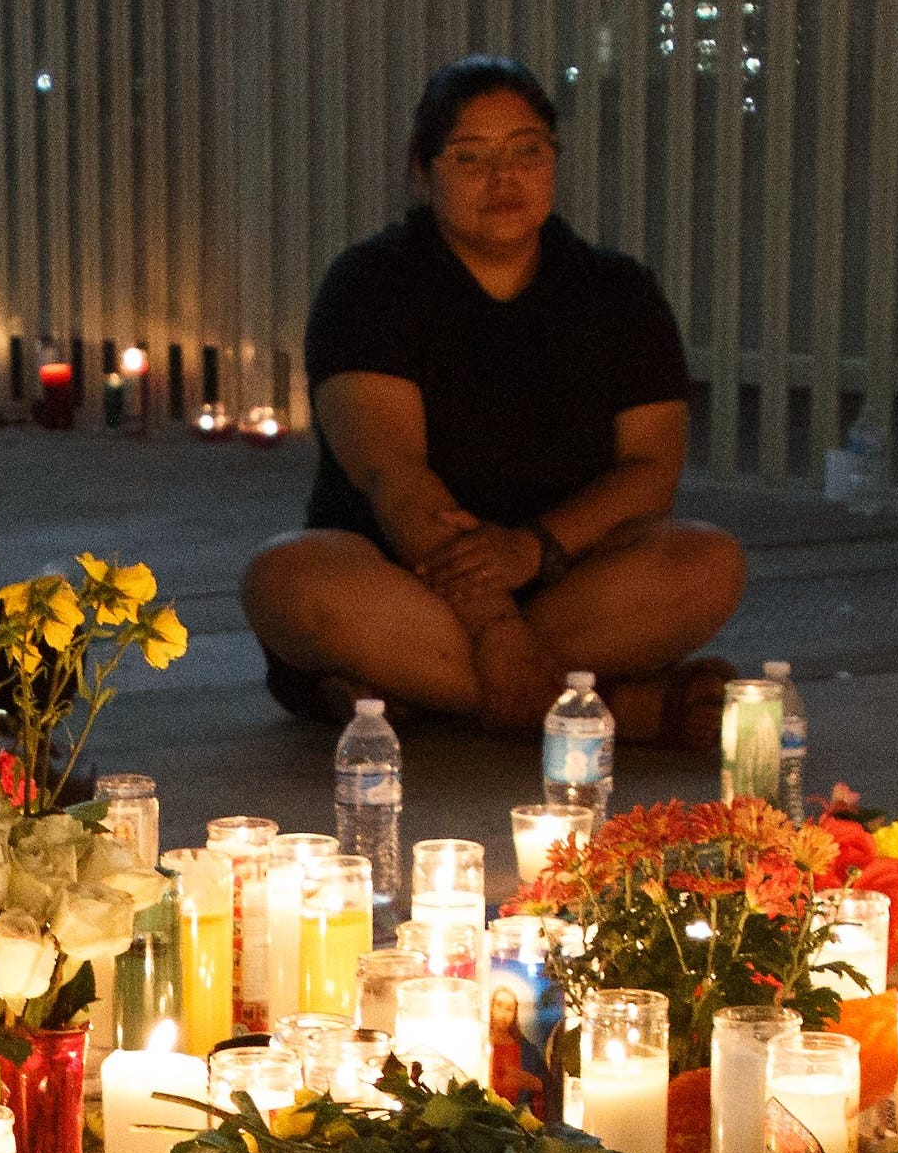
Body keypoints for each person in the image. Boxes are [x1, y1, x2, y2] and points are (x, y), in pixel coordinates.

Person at [242, 55, 745, 742]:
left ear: (554, 160)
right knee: (286, 578)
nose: (504, 179)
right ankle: (619, 711)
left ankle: (425, 691)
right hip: (405, 584)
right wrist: (493, 622)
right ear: (423, 170)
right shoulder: (371, 286)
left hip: (568, 583)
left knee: (709, 562)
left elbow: (650, 474)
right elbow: (395, 475)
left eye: (526, 152)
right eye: (471, 157)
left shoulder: (617, 292)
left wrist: (533, 551)